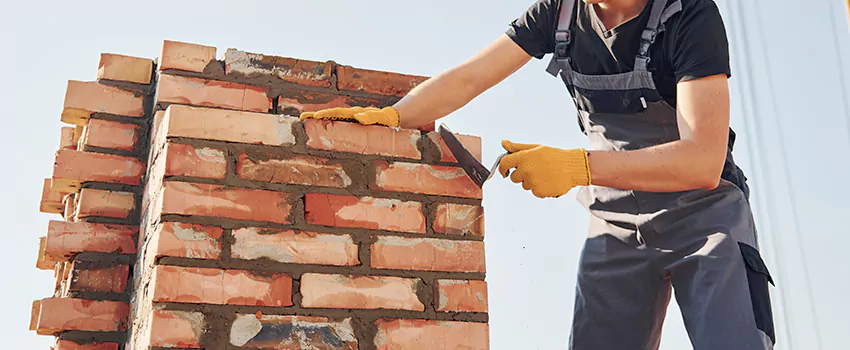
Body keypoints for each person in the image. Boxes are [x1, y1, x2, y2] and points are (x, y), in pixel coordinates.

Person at [300, 0, 776, 348]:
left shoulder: (688, 16)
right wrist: (398, 116)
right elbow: (470, 77)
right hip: (613, 221)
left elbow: (702, 160)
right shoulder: (558, 14)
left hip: (704, 220)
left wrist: (576, 166)